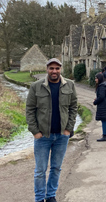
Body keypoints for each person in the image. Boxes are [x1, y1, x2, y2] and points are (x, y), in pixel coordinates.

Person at [26, 58, 78, 202]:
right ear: (47, 69)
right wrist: (35, 131)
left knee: (56, 168)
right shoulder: (36, 87)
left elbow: (74, 108)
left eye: (57, 68)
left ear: (60, 69)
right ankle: (39, 198)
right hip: (42, 136)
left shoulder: (70, 85)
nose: (54, 71)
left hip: (62, 136)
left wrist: (69, 129)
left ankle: (50, 196)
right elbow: (30, 110)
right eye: (51, 68)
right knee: (40, 171)